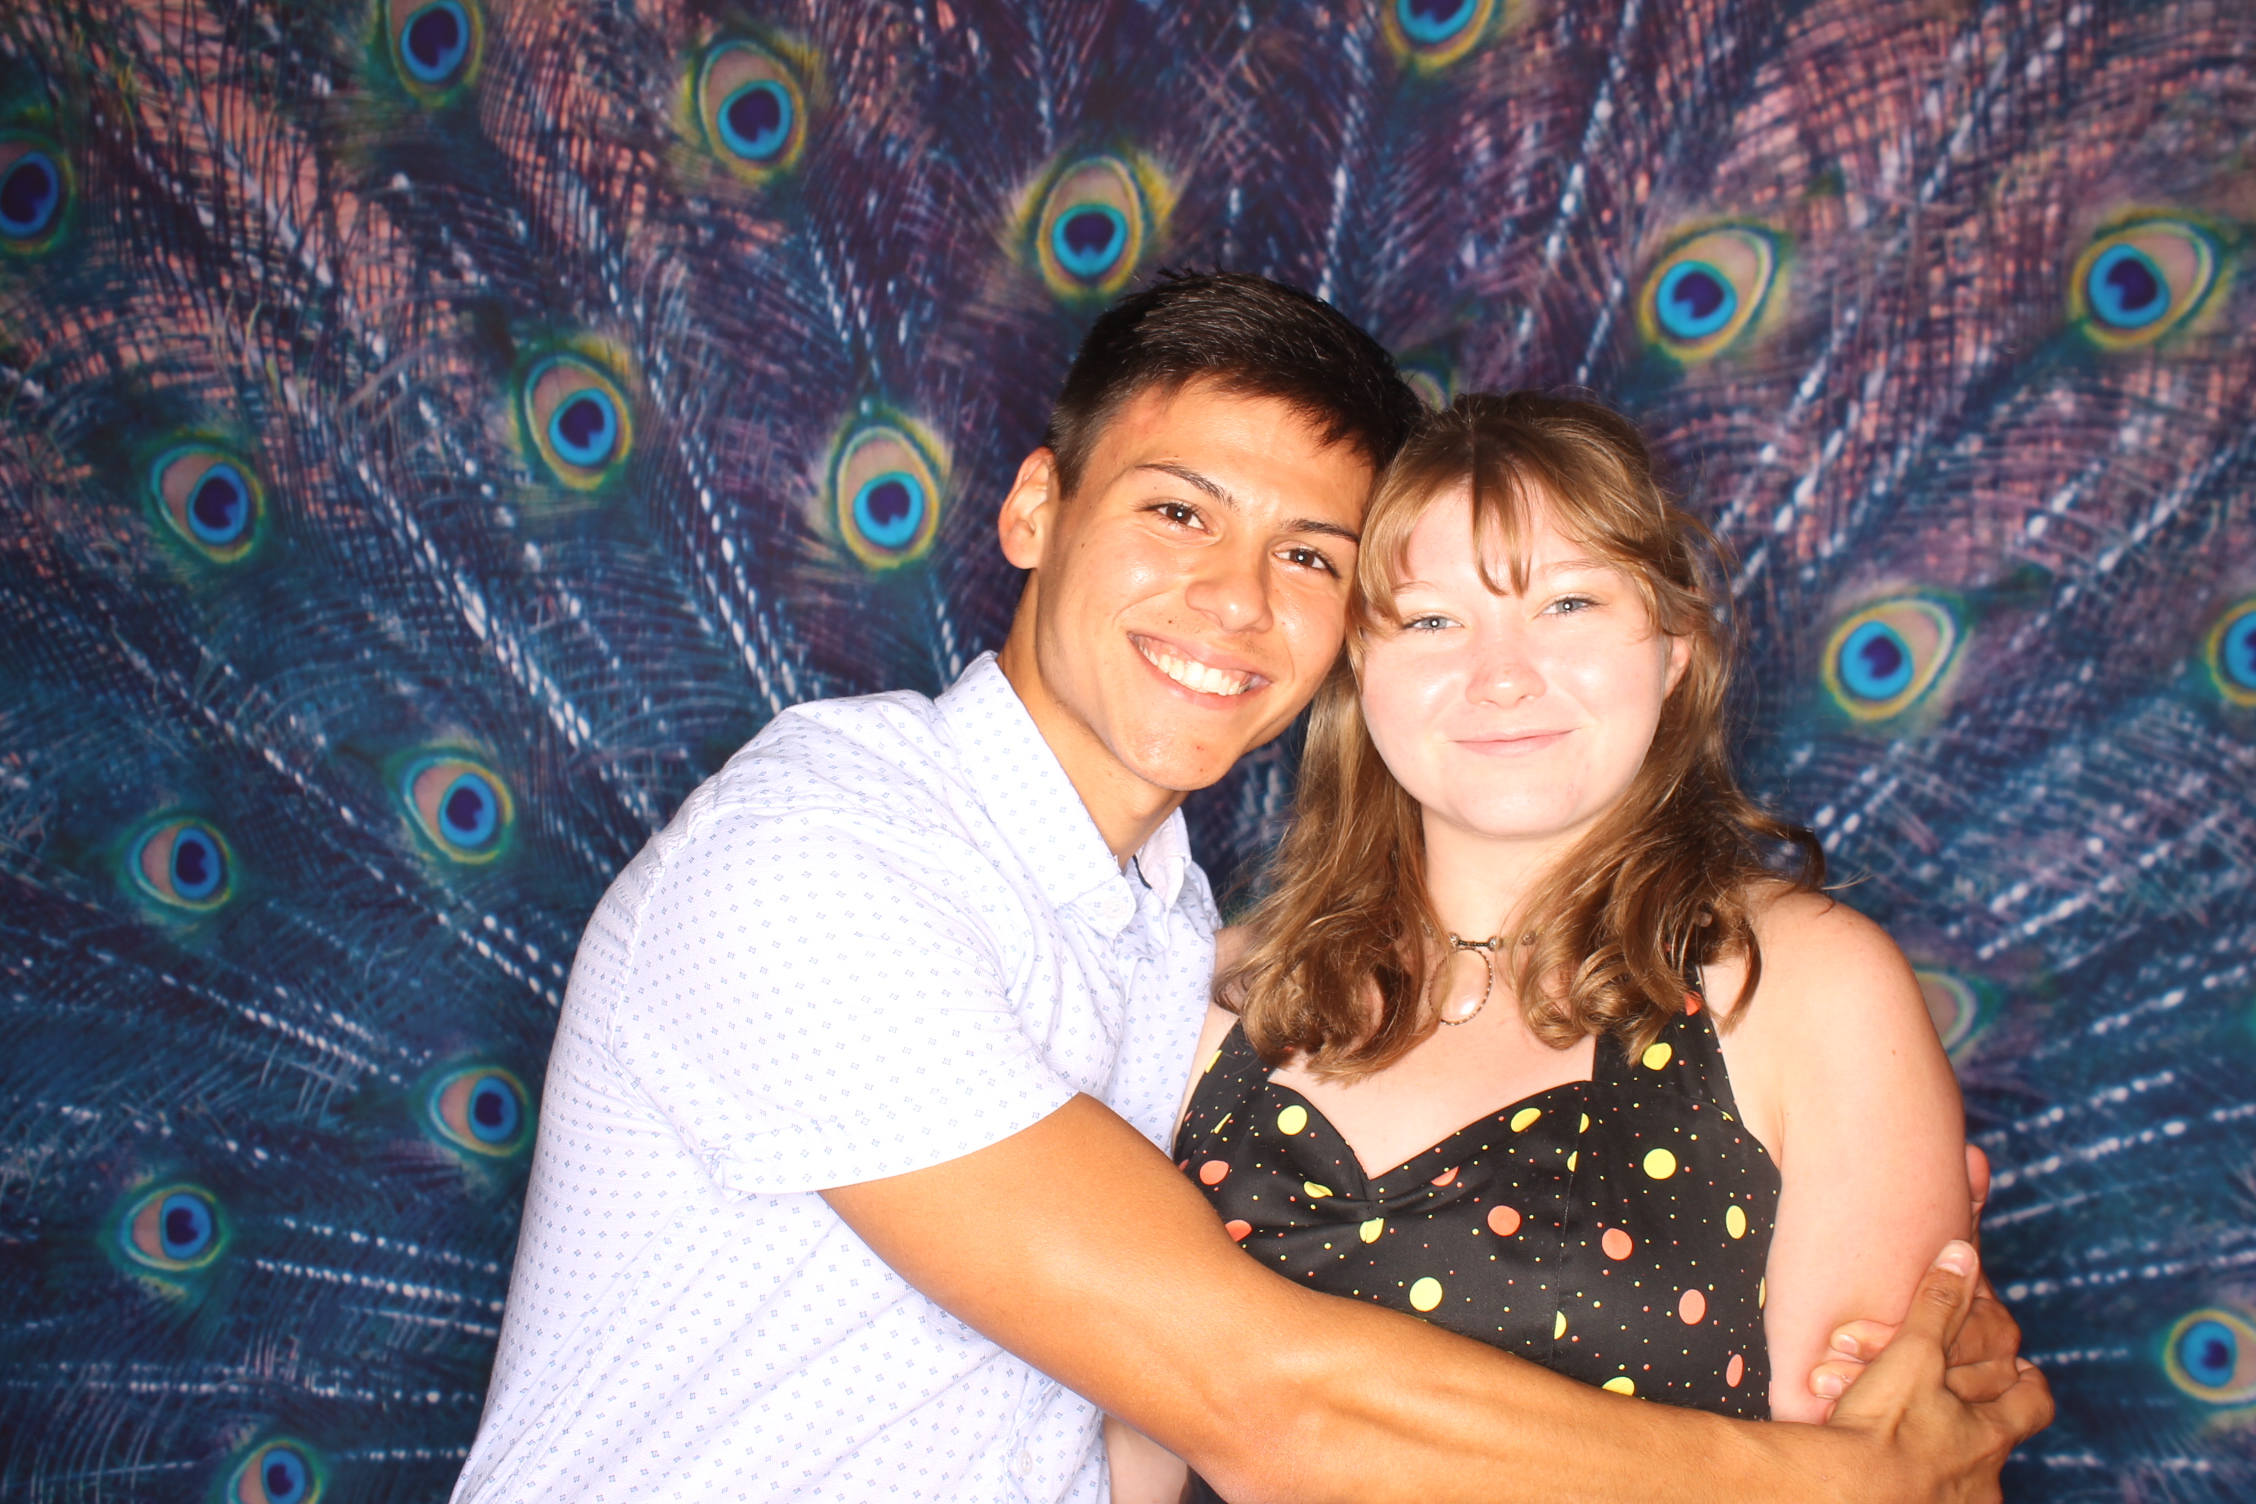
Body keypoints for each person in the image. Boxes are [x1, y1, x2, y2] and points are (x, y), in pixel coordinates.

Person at [451, 273, 2049, 1504]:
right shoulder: (816, 859)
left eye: (1307, 555)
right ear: (1031, 512)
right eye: (1174, 511)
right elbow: (1255, 1395)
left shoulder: (1174, 947)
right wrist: (1826, 1482)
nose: (1232, 597)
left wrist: (1924, 1396)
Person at [1104, 389, 2022, 1502]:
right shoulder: (1206, 995)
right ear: (1357, 672)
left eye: (1570, 604)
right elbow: (1115, 1460)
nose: (1502, 674)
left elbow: (1891, 1471)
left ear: (1674, 651)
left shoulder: (1804, 990)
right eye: (1433, 620)